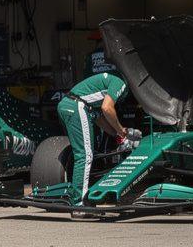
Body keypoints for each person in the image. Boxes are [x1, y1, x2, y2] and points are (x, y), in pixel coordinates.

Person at [58, 71, 136, 208]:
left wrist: (116, 134)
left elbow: (100, 119)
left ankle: (74, 193)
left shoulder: (106, 83)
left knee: (81, 153)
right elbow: (107, 108)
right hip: (77, 106)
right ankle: (79, 202)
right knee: (85, 155)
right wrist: (121, 130)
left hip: (66, 104)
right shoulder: (121, 83)